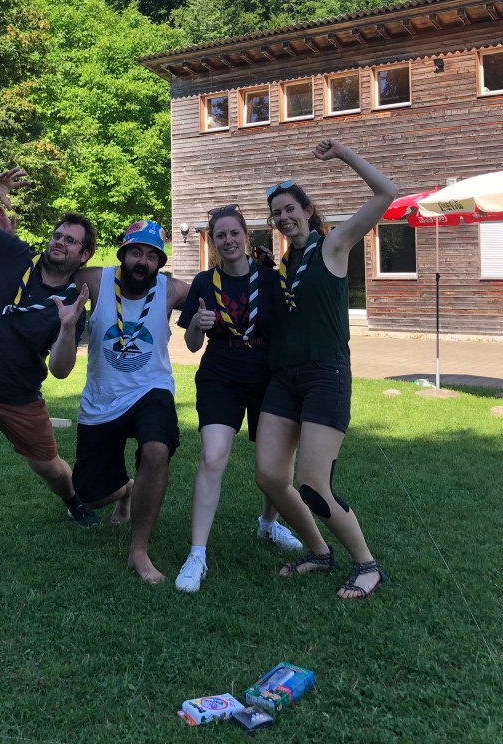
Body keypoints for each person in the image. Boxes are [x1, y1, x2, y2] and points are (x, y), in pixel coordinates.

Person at [254, 139, 397, 600]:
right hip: (284, 378)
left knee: (313, 486)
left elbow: (386, 193)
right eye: (276, 213)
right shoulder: (283, 264)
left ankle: (367, 565)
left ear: (308, 210)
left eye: (290, 208)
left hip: (325, 376)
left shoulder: (333, 245)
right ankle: (318, 551)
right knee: (269, 476)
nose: (283, 217)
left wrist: (344, 154)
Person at [0, 166, 99, 577]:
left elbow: (60, 370)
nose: (60, 242)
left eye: (71, 241)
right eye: (58, 235)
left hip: (18, 394)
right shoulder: (9, 252)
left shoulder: (72, 302)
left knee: (50, 468)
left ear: (84, 256)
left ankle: (72, 501)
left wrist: (68, 329)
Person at [173, 203, 302, 594]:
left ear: (246, 236)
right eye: (220, 235)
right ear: (213, 242)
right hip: (220, 377)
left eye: (234, 233)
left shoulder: (270, 279)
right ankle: (197, 554)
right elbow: (191, 345)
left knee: (275, 465)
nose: (228, 240)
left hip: (268, 379)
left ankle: (269, 524)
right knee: (212, 457)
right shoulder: (203, 282)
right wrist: (197, 325)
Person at [73, 220, 189, 585]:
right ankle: (126, 490)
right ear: (123, 254)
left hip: (150, 389)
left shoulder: (170, 290)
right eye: (136, 252)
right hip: (102, 398)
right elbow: (50, 273)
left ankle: (138, 550)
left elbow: (216, 290)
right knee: (90, 497)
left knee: (156, 450)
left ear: (160, 263)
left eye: (152, 256)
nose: (143, 262)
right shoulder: (95, 281)